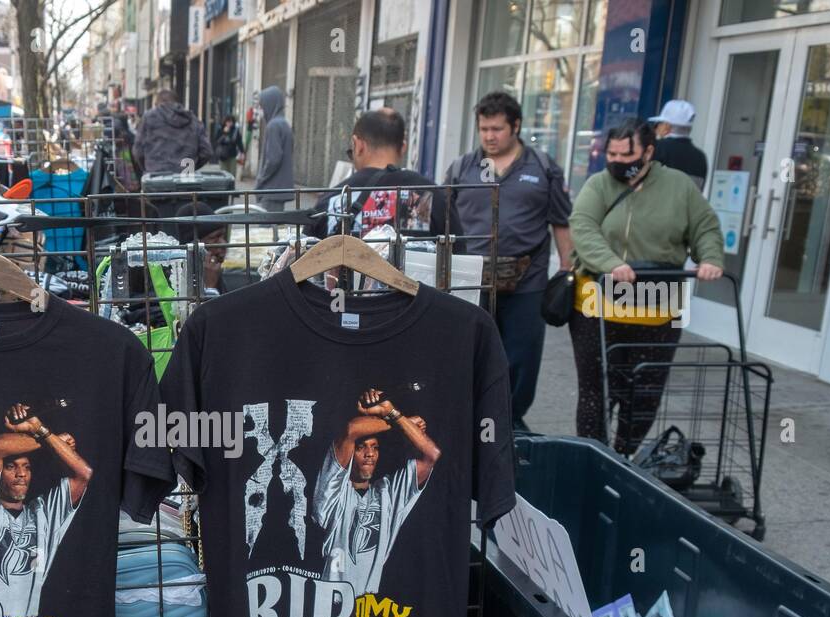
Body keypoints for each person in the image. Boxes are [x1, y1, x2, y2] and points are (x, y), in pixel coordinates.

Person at [568, 117, 724, 455]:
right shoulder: (598, 185)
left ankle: (625, 455)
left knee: (644, 392)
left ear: (649, 151)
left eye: (627, 155)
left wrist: (710, 258)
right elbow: (582, 227)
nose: (618, 162)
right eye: (611, 154)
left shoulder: (679, 187)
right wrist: (612, 264)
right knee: (595, 393)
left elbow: (705, 228)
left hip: (657, 306)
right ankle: (592, 457)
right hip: (599, 304)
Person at [439, 91, 574, 432]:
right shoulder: (462, 167)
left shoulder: (542, 168)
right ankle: (471, 418)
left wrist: (566, 270)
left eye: (497, 129)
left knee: (521, 356)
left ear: (515, 126)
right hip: (472, 278)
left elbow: (561, 221)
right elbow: (442, 222)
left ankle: (510, 421)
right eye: (484, 128)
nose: (489, 136)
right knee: (470, 353)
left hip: (527, 280)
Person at [0, 403, 93, 617]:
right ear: (0, 472)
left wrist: (39, 428)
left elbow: (83, 473)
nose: (21, 474)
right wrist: (52, 441)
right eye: (11, 467)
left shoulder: (43, 514)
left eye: (26, 467)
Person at [313, 388, 440, 599]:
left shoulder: (388, 492)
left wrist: (391, 411)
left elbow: (431, 454)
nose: (370, 454)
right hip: (330, 604)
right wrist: (401, 422)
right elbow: (351, 430)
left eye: (375, 447)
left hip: (370, 608)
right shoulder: (333, 491)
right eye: (361, 447)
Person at [307, 108, 440, 239]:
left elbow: (306, 254)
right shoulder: (432, 195)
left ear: (358, 146)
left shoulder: (332, 200)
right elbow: (457, 251)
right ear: (403, 148)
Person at [132, 89, 213, 175]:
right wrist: (190, 168)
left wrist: (147, 168)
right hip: (185, 178)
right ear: (177, 103)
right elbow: (207, 151)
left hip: (155, 178)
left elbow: (137, 151)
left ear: (156, 104)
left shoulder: (148, 118)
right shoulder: (193, 120)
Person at [650, 99, 708, 190]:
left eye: (658, 124)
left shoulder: (656, 148)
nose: (656, 128)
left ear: (666, 126)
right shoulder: (700, 157)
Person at [175, 200, 230, 294]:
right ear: (194, 245)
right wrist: (210, 287)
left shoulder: (213, 270)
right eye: (214, 238)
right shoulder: (178, 278)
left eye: (223, 236)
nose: (223, 243)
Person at [254, 86, 294, 212]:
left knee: (267, 229)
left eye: (261, 106)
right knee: (275, 228)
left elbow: (273, 159)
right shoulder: (283, 123)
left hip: (272, 189)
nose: (260, 110)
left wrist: (261, 179)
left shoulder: (273, 126)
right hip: (278, 188)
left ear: (270, 104)